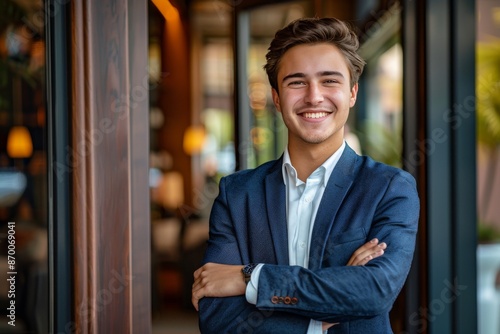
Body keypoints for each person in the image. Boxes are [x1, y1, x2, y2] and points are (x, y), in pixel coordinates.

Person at [191, 17, 419, 333]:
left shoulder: (389, 188)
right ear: (276, 97)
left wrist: (252, 278)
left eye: (329, 81)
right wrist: (324, 315)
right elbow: (218, 319)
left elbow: (374, 291)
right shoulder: (237, 194)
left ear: (352, 93)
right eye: (297, 82)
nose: (314, 97)